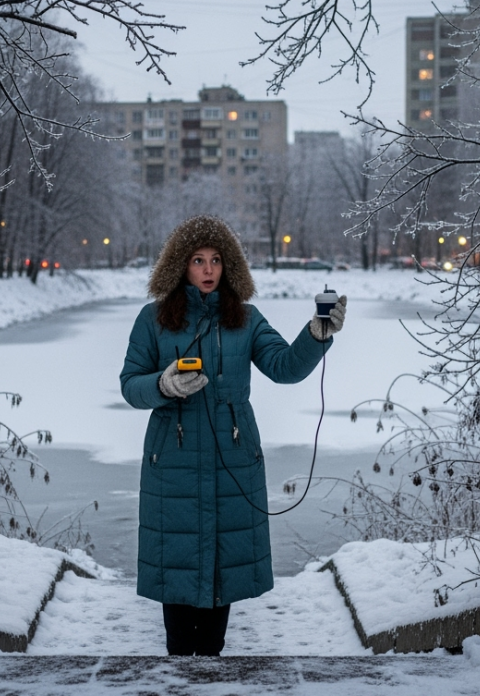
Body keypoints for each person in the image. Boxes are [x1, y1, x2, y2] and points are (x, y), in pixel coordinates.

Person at [119, 215, 346, 657]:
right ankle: (181, 674)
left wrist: (316, 335)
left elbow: (284, 367)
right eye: (198, 260)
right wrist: (163, 385)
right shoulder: (153, 319)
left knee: (220, 588)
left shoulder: (246, 318)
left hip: (233, 462)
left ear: (230, 266)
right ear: (180, 265)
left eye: (216, 260)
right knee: (178, 596)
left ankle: (211, 670)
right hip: (173, 467)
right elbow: (131, 385)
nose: (208, 269)